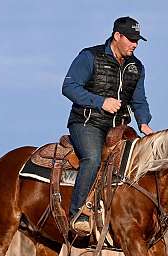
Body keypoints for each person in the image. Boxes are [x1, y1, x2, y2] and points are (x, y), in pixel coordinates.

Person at [62, 16, 153, 235]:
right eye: (130, 39)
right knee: (92, 158)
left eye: (137, 40)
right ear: (117, 36)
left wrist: (144, 122)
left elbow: (139, 100)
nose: (135, 44)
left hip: (120, 129)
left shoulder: (136, 67)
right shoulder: (90, 57)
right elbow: (69, 87)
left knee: (142, 163)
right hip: (86, 123)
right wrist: (101, 102)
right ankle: (78, 214)